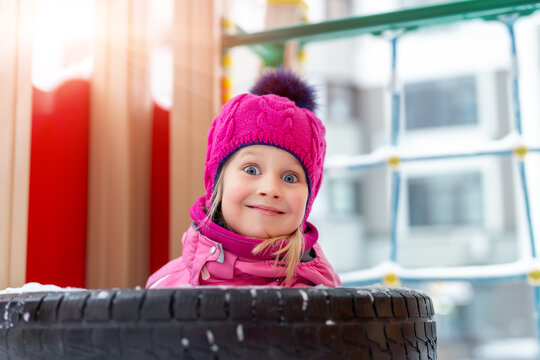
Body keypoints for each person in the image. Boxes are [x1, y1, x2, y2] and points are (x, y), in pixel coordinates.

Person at [146, 69, 341, 288]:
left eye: (289, 177)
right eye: (251, 170)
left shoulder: (322, 298)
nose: (270, 189)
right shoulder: (166, 286)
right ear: (218, 181)